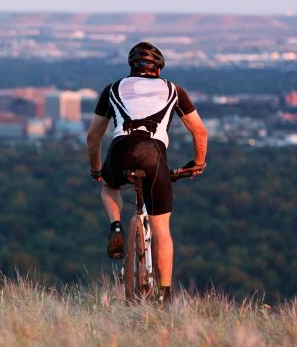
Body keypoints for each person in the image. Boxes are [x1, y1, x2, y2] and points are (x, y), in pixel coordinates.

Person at [86, 41, 207, 305]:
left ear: (131, 68)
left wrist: (96, 169)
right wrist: (197, 164)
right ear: (159, 70)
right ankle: (165, 293)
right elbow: (199, 131)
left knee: (109, 186)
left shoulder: (113, 88)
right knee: (161, 227)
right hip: (154, 154)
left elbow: (93, 136)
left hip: (120, 150)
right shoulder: (173, 90)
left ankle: (116, 225)